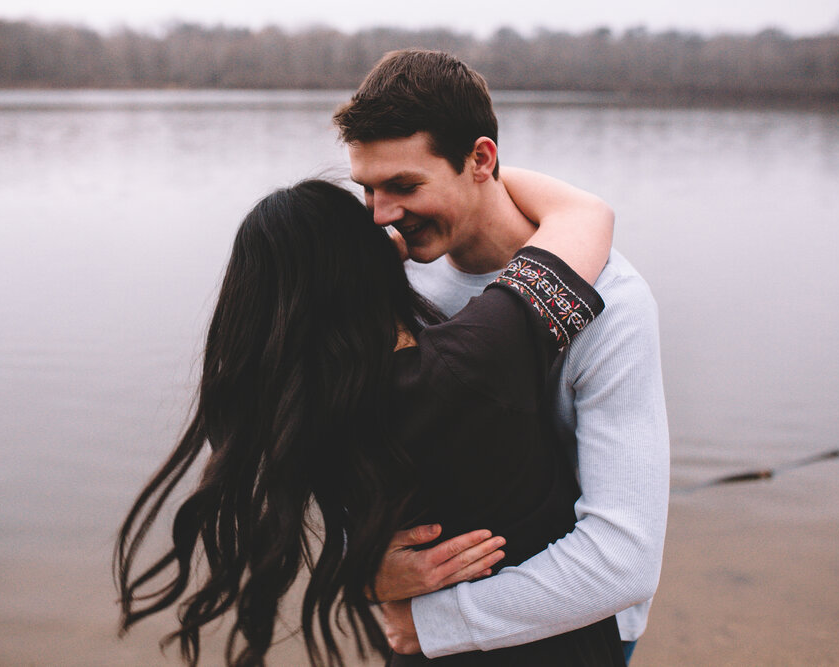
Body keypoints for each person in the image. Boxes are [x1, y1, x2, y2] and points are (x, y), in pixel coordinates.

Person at [114, 172, 622, 665]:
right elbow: (586, 214)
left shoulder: (303, 407)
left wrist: (357, 570)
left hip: (422, 653)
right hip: (551, 648)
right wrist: (460, 173)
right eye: (373, 219)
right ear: (363, 260)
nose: (385, 215)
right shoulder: (472, 358)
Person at [333, 49, 669, 664]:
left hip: (571, 630)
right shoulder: (393, 279)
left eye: (405, 186)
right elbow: (358, 453)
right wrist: (363, 560)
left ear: (481, 160)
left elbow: (624, 558)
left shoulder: (614, 306)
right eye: (369, 189)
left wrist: (432, 625)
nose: (381, 217)